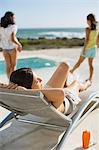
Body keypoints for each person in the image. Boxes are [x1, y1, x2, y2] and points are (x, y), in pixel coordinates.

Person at [4, 62, 91, 115]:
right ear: (29, 88)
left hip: (43, 94)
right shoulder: (42, 98)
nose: (41, 79)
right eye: (37, 81)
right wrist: (28, 91)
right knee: (76, 83)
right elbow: (61, 93)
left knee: (65, 65)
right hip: (67, 99)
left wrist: (8, 87)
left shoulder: (26, 97)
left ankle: (66, 84)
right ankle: (87, 83)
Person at [70, 14, 99, 82]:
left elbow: (87, 40)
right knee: (91, 64)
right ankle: (90, 79)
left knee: (79, 62)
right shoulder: (97, 29)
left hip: (88, 48)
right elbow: (98, 38)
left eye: (87, 20)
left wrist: (84, 49)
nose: (86, 22)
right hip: (93, 49)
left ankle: (71, 72)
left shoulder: (88, 29)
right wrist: (97, 45)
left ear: (89, 20)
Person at [0, 11, 22, 79]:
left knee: (8, 66)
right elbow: (13, 38)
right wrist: (19, 44)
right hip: (12, 48)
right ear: (11, 17)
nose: (14, 18)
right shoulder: (13, 26)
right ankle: (12, 82)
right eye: (14, 17)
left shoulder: (1, 27)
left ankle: (9, 80)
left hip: (4, 49)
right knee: (13, 66)